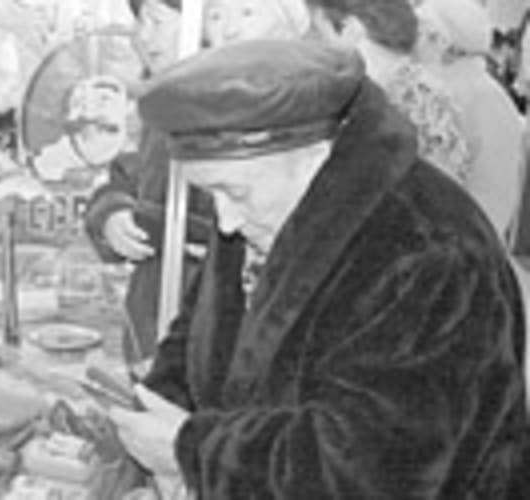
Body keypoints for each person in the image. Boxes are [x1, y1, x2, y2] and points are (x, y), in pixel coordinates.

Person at [108, 39, 527, 499]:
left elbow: (379, 466)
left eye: (235, 192)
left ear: (319, 157)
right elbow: (199, 332)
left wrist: (193, 451)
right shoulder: (270, 206)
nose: (224, 222)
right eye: (212, 195)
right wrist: (160, 402)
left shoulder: (430, 251)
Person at [84, 0, 214, 366]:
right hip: (150, 319)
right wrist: (111, 215)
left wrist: (163, 225)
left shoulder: (233, 105)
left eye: (156, 21)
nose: (142, 37)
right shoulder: (156, 104)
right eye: (139, 23)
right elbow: (122, 179)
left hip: (206, 325)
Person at [304, 0, 473, 184]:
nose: (312, 47)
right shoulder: (426, 93)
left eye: (317, 34)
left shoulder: (381, 103)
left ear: (349, 27)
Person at [414, 0, 525, 241]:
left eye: (423, 32)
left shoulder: (483, 99)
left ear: (443, 44)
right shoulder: (448, 87)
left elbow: (491, 201)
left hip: (463, 239)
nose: (415, 42)